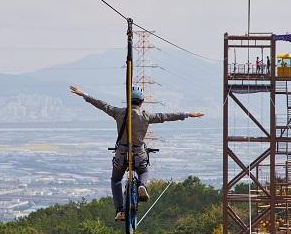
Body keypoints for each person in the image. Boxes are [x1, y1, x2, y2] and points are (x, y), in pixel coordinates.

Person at [70, 85, 204, 221]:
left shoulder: (118, 112)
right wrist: (187, 114)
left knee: (116, 180)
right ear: (141, 101)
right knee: (144, 171)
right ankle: (141, 185)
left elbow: (101, 105)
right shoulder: (146, 116)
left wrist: (84, 94)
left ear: (129, 100)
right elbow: (166, 116)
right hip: (139, 153)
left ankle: (120, 211)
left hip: (121, 154)